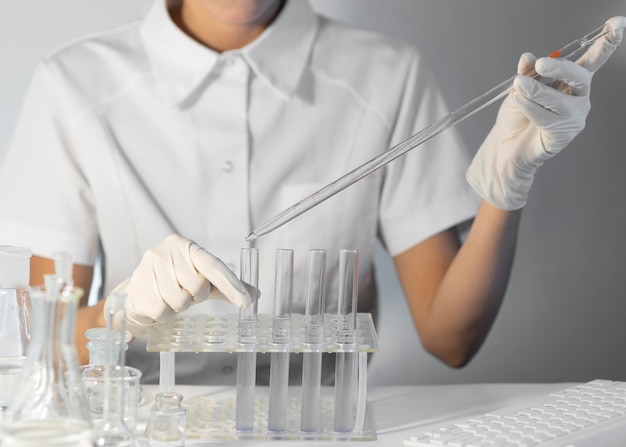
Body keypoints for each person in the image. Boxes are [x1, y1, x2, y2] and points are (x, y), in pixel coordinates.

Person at [0, 0, 623, 384]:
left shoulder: (385, 73)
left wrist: (505, 188)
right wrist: (121, 313)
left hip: (324, 430)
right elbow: (28, 347)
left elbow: (450, 338)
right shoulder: (74, 85)